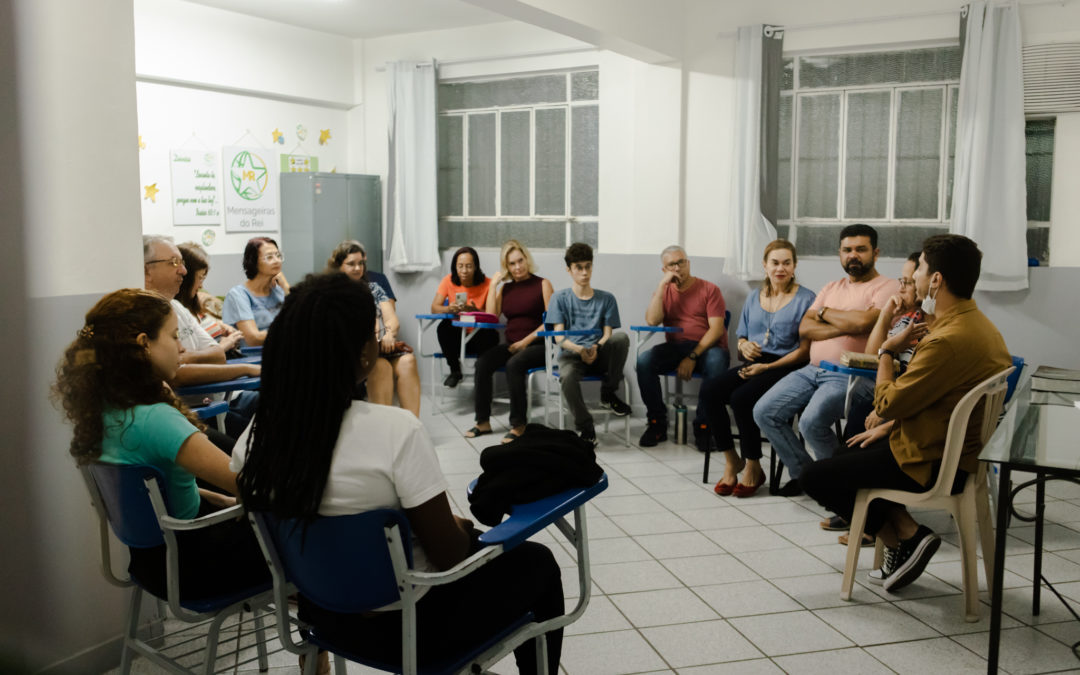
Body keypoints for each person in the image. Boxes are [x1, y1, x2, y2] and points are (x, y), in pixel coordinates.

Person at [233, 273, 564, 674]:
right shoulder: (395, 430)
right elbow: (450, 557)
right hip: (414, 631)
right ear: (363, 354)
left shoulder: (256, 436)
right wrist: (467, 532)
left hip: (323, 620)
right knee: (538, 562)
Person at [802, 234, 1011, 592]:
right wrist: (886, 429)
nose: (912, 279)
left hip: (934, 462)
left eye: (920, 270)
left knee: (816, 477)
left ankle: (904, 539)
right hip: (949, 447)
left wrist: (886, 351)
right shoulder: (978, 325)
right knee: (848, 449)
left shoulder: (946, 339)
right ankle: (905, 534)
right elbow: (939, 400)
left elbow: (887, 404)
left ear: (936, 280)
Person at [52, 288, 269, 602]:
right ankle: (320, 631)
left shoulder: (103, 413)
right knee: (306, 528)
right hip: (197, 569)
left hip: (152, 566)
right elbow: (253, 486)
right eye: (174, 336)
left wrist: (221, 500)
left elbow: (157, 494)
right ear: (144, 345)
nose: (182, 347)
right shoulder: (157, 420)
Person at [752, 224, 899, 496]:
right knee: (764, 412)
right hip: (811, 370)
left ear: (875, 253)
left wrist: (825, 313)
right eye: (847, 250)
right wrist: (849, 323)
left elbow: (867, 321)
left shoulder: (888, 286)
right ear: (840, 254)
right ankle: (807, 476)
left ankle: (840, 488)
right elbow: (805, 328)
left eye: (861, 249)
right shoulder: (831, 286)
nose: (853, 255)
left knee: (810, 422)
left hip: (853, 375)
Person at [711, 240, 815, 498]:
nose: (780, 268)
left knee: (741, 398)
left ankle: (753, 466)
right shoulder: (753, 296)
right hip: (755, 363)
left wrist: (765, 366)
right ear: (765, 266)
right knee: (710, 391)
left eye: (786, 263)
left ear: (794, 266)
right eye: (775, 262)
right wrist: (744, 346)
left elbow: (804, 351)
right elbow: (742, 337)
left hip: (787, 366)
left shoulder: (807, 298)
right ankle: (731, 460)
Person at [142, 236, 260, 444]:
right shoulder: (141, 314)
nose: (183, 271)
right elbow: (176, 375)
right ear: (146, 271)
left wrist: (187, 358)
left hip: (212, 403)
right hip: (194, 412)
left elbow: (218, 355)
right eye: (174, 263)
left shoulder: (176, 307)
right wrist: (245, 369)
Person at [635, 245, 729, 449]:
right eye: (672, 265)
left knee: (717, 360)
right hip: (676, 348)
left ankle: (704, 427)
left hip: (707, 348)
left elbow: (716, 330)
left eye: (681, 262)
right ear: (664, 269)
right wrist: (661, 287)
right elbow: (652, 320)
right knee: (643, 361)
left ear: (688, 263)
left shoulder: (709, 289)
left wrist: (693, 357)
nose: (678, 268)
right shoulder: (665, 291)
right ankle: (656, 423)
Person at [465, 240, 553, 443]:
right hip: (513, 345)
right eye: (512, 264)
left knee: (514, 365)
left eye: (520, 261)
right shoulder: (505, 289)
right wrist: (494, 285)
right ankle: (483, 421)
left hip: (539, 345)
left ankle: (518, 425)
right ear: (507, 266)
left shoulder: (543, 284)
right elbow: (490, 316)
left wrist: (525, 342)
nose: (518, 267)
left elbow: (551, 322)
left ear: (526, 259)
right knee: (483, 362)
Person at [546, 243, 631, 445]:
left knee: (622, 338)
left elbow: (608, 333)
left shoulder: (606, 299)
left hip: (597, 353)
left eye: (588, 266)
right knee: (566, 377)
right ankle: (586, 426)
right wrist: (580, 350)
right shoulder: (559, 298)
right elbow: (559, 338)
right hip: (572, 355)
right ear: (569, 270)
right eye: (579, 268)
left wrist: (595, 348)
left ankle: (608, 393)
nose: (585, 272)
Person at [327, 240, 421, 417]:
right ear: (339, 266)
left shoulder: (374, 288)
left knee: (408, 362)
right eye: (351, 264)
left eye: (360, 263)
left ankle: (413, 427)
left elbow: (391, 318)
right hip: (353, 353)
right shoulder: (332, 293)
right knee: (380, 366)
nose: (357, 268)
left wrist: (390, 334)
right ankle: (384, 430)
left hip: (380, 347)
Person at [429, 246, 498, 387]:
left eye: (468, 266)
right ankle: (455, 371)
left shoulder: (489, 283)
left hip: (479, 336)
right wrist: (449, 308)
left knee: (490, 334)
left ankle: (481, 377)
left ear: (476, 267)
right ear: (455, 267)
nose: (464, 271)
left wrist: (475, 310)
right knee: (443, 327)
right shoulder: (448, 280)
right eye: (460, 266)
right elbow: (434, 308)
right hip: (457, 339)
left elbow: (493, 316)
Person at [222, 237, 289, 346]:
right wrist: (291, 331)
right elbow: (253, 339)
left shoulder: (279, 290)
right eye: (269, 257)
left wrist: (286, 287)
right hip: (252, 356)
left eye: (278, 256)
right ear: (254, 261)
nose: (277, 261)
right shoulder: (238, 295)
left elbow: (300, 318)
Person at [176, 242, 243, 346]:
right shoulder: (177, 311)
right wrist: (223, 346)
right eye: (200, 278)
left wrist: (219, 326)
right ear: (187, 279)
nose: (201, 286)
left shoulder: (195, 304)